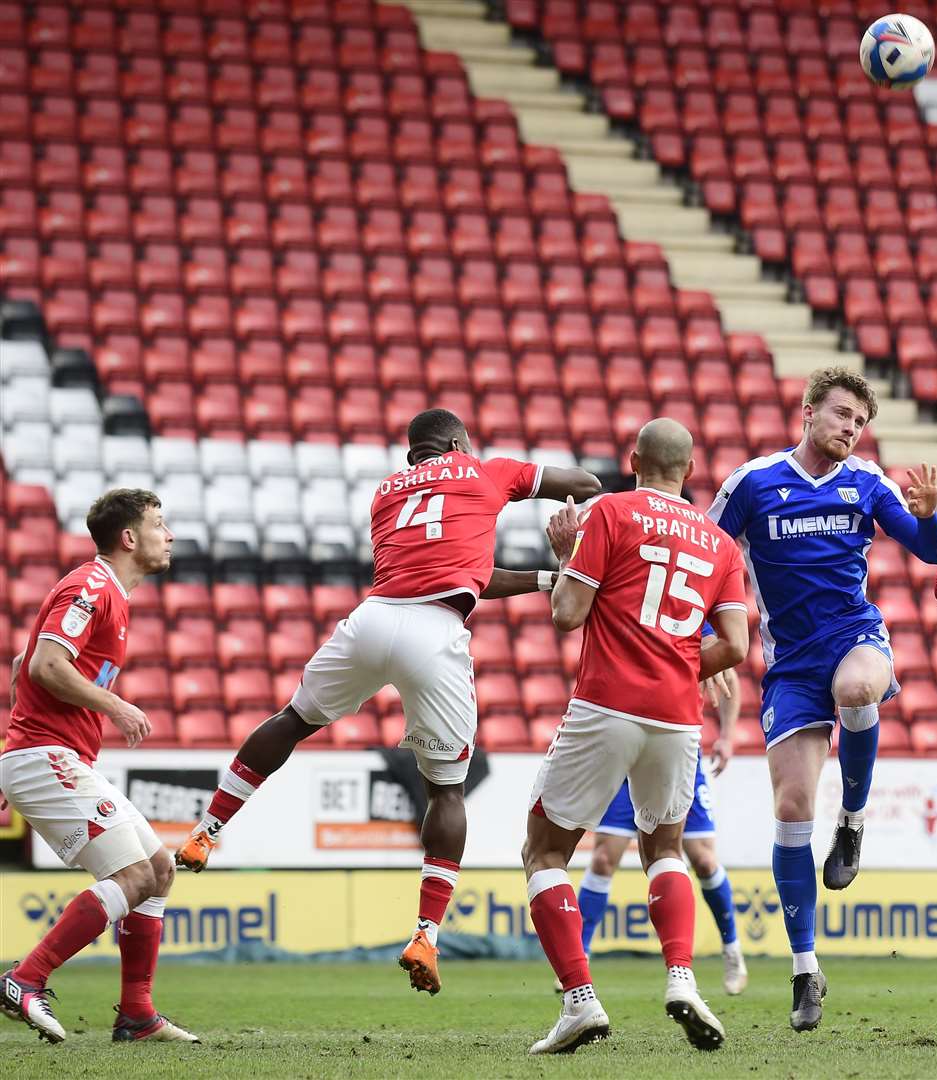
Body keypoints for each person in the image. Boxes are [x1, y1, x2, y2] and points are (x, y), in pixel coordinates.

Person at [174, 409, 600, 998]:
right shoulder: (486, 469)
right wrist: (574, 539)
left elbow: (463, 571)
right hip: (436, 630)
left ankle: (207, 828)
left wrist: (544, 582)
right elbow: (584, 483)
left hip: (373, 619)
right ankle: (425, 933)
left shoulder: (385, 494)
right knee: (446, 790)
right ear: (457, 441)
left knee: (294, 720)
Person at [707, 366, 937, 1031]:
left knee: (857, 688)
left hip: (854, 636)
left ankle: (856, 819)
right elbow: (704, 559)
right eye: (842, 414)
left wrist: (929, 521)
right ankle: (805, 968)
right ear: (807, 411)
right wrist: (704, 640)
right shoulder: (752, 483)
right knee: (789, 809)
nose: (850, 428)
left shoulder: (868, 482)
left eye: (860, 421)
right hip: (789, 665)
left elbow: (931, 551)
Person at [522, 418, 749, 1055]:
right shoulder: (719, 542)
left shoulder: (610, 512)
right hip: (677, 718)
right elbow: (733, 645)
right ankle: (682, 978)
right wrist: (679, 664)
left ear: (633, 459)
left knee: (543, 851)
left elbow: (567, 615)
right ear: (690, 470)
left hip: (606, 703)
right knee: (666, 849)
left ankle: (579, 1000)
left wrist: (566, 558)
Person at [0, 489, 198, 1044]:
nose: (170, 534)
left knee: (158, 869)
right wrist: (117, 705)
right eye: (160, 523)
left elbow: (25, 660)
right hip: (46, 756)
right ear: (129, 538)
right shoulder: (93, 585)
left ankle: (136, 1014)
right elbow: (43, 664)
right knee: (132, 876)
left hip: (47, 754)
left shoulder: (109, 593)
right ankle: (24, 978)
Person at [577, 660, 748, 996]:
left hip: (677, 748)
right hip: (626, 753)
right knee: (602, 859)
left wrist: (727, 736)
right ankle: (580, 955)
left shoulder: (687, 613)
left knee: (703, 860)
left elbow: (728, 670)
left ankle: (732, 950)